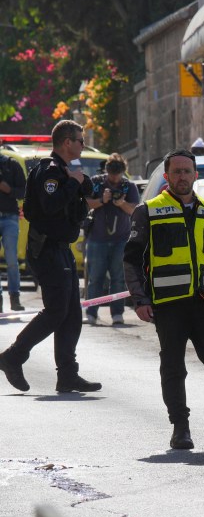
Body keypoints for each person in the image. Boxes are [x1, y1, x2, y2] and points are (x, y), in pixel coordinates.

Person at [123, 149, 204, 450]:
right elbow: (131, 260)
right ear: (166, 176)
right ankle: (180, 427)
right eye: (176, 172)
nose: (182, 176)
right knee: (173, 366)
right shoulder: (148, 210)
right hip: (168, 304)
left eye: (187, 171)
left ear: (196, 175)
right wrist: (139, 298)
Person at [0, 120, 100, 393]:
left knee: (71, 314)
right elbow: (50, 205)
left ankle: (67, 374)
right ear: (67, 142)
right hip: (46, 249)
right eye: (80, 140)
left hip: (61, 248)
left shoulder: (66, 172)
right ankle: (13, 356)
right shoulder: (50, 172)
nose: (82, 144)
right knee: (57, 311)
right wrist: (72, 184)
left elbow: (80, 201)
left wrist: (81, 187)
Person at [85, 152, 139, 326]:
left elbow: (135, 210)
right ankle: (91, 313)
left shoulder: (128, 186)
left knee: (118, 278)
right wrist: (103, 199)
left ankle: (117, 314)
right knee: (96, 278)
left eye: (118, 176)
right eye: (111, 176)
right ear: (106, 171)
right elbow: (86, 203)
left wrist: (121, 203)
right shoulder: (96, 183)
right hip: (97, 239)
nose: (115, 180)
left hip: (121, 240)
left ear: (123, 172)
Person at [0, 150, 27, 312]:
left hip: (10, 217)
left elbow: (23, 191)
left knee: (11, 260)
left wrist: (8, 189)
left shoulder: (12, 165)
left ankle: (14, 297)